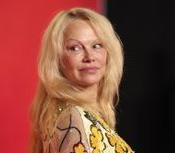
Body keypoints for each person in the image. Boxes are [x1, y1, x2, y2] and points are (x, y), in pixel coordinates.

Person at [28, 7, 135, 153]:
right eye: (75, 48)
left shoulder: (71, 114)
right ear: (57, 59)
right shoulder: (74, 118)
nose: (89, 57)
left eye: (97, 46)